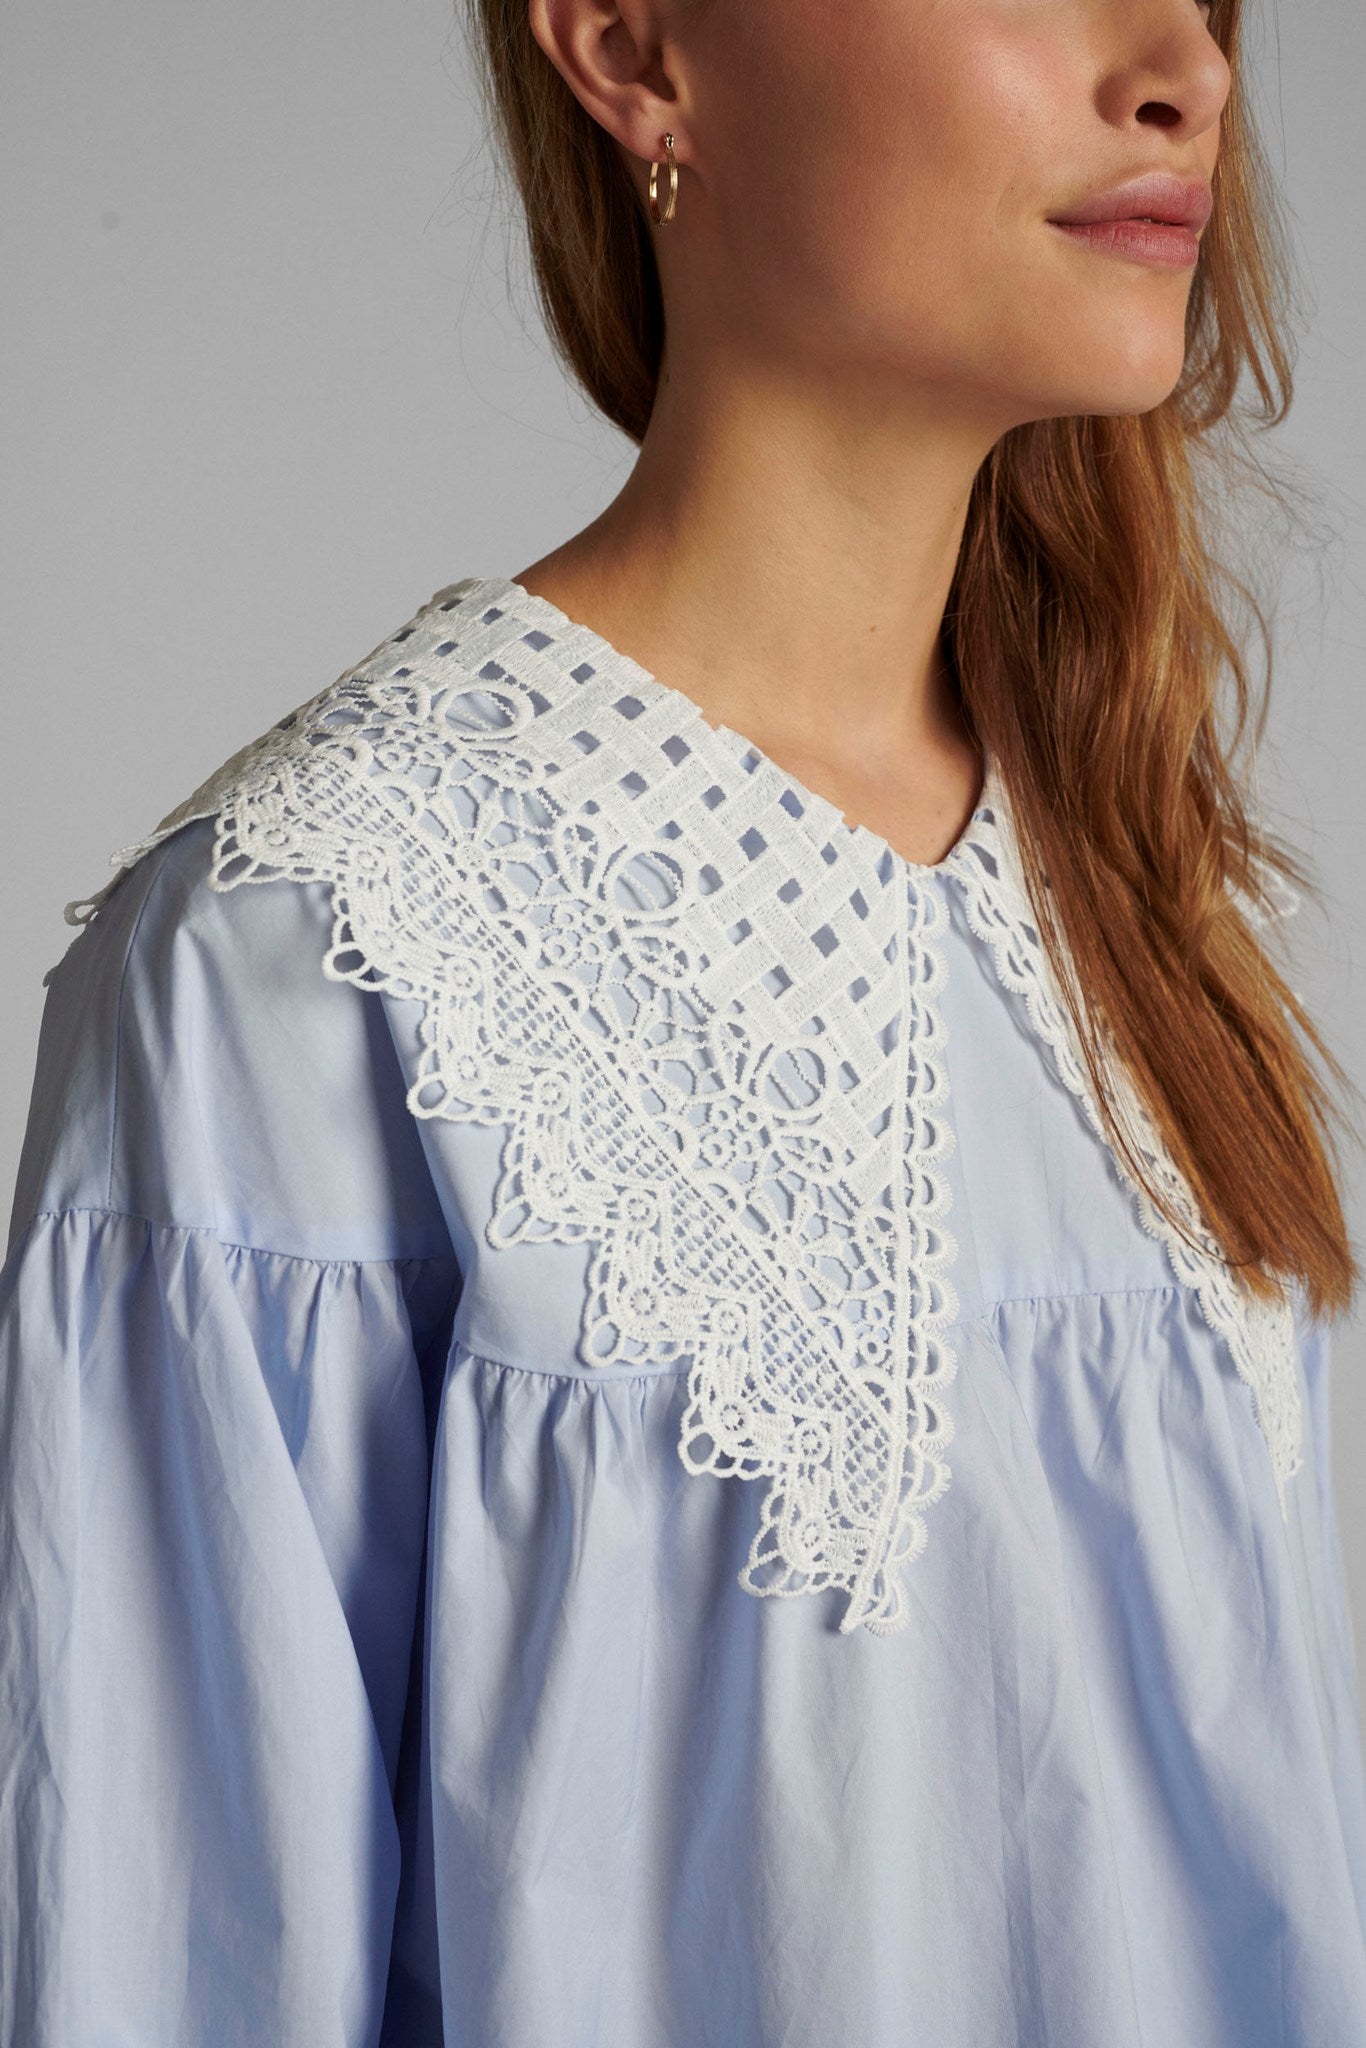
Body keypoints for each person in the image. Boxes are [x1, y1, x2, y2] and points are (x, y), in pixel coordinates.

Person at [3, 2, 1365, 2044]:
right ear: (635, 47)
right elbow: (164, 1964)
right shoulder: (308, 957)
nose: (1184, 66)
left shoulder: (1143, 888)